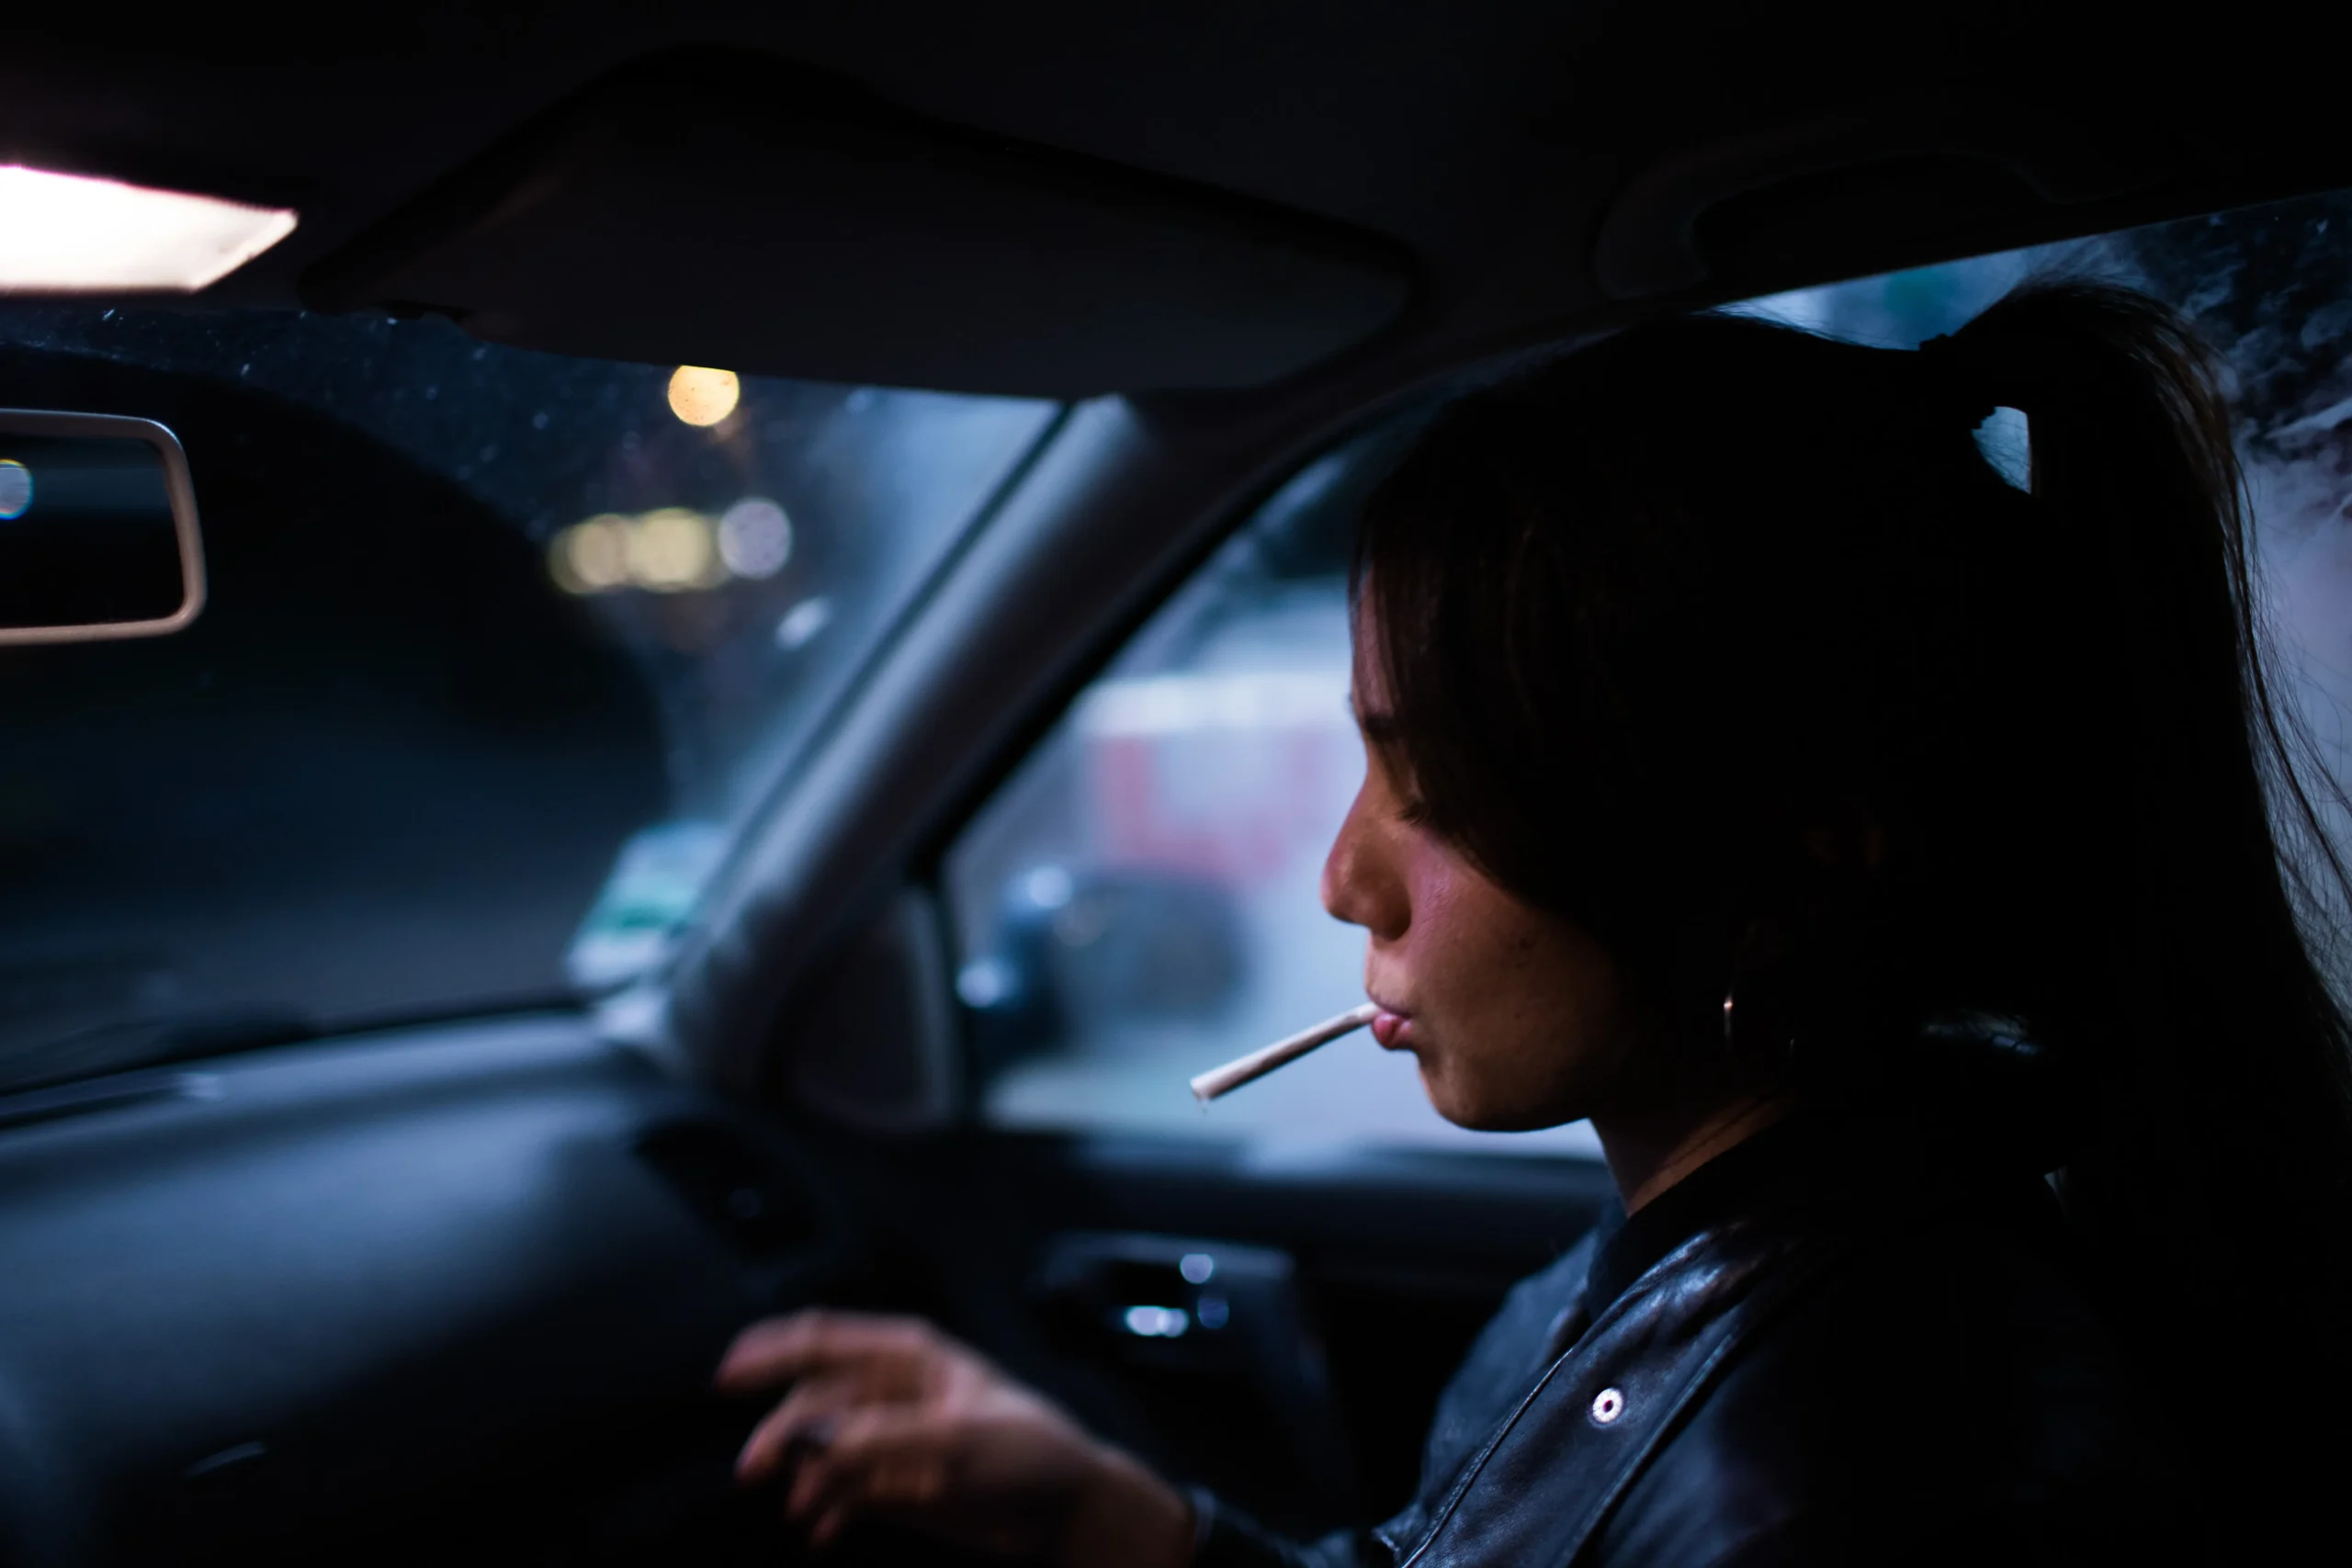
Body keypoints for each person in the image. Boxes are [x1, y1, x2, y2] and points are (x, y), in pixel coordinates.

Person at [711, 283, 2352, 1565]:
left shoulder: (1870, 1484)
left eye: (1439, 791)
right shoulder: (1777, 1227)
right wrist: (1120, 1523)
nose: (1344, 880)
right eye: (1370, 765)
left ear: (1781, 866)